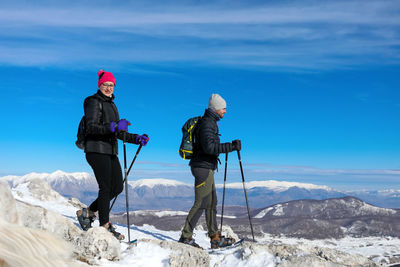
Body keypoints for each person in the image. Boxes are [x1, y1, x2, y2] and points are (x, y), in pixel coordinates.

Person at [76, 70, 149, 240]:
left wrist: (136, 138)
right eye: (105, 84)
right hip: (96, 150)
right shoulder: (91, 101)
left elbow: (117, 133)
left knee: (117, 187)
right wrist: (114, 126)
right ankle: (104, 226)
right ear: (99, 85)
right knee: (106, 187)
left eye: (111, 85)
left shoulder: (112, 105)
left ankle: (87, 213)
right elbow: (92, 127)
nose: (108, 88)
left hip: (110, 150)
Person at [179, 93, 241, 249]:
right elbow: (209, 148)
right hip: (203, 167)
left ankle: (215, 238)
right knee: (201, 203)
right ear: (217, 108)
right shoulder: (207, 123)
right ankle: (185, 237)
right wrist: (231, 147)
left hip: (205, 167)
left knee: (212, 202)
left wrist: (229, 146)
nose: (225, 111)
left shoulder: (210, 122)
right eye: (224, 108)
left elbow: (209, 146)